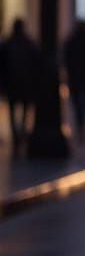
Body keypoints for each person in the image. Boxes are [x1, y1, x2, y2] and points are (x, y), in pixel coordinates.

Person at [1, 19, 41, 155]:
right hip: (25, 84)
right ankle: (21, 133)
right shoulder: (28, 44)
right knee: (24, 110)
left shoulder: (8, 44)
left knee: (13, 112)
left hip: (13, 84)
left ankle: (17, 137)